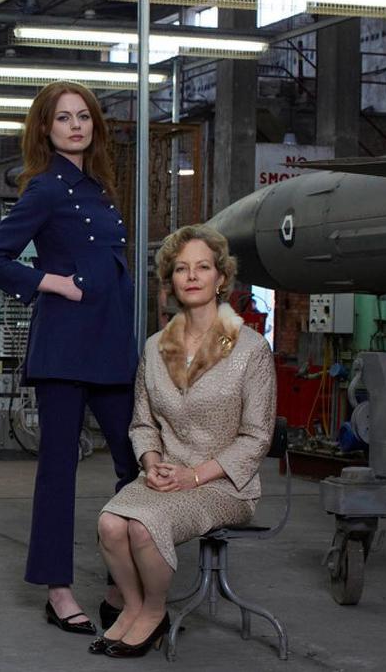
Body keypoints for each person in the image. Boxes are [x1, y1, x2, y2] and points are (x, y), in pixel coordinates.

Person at [0, 80, 139, 634]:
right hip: (64, 347)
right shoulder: (44, 189)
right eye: (64, 118)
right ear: (45, 128)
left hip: (112, 345)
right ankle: (59, 590)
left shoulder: (102, 188)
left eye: (83, 116)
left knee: (134, 463)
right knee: (58, 471)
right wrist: (51, 282)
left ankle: (120, 583)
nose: (76, 126)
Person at [92, 225, 276, 658]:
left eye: (203, 267)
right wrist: (152, 462)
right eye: (181, 268)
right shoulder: (157, 348)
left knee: (142, 526)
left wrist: (192, 476)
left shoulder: (249, 349)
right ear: (171, 280)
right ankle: (133, 607)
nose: (192, 276)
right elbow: (142, 423)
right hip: (165, 477)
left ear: (221, 278)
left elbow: (256, 437)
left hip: (224, 484)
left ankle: (154, 613)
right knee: (110, 524)